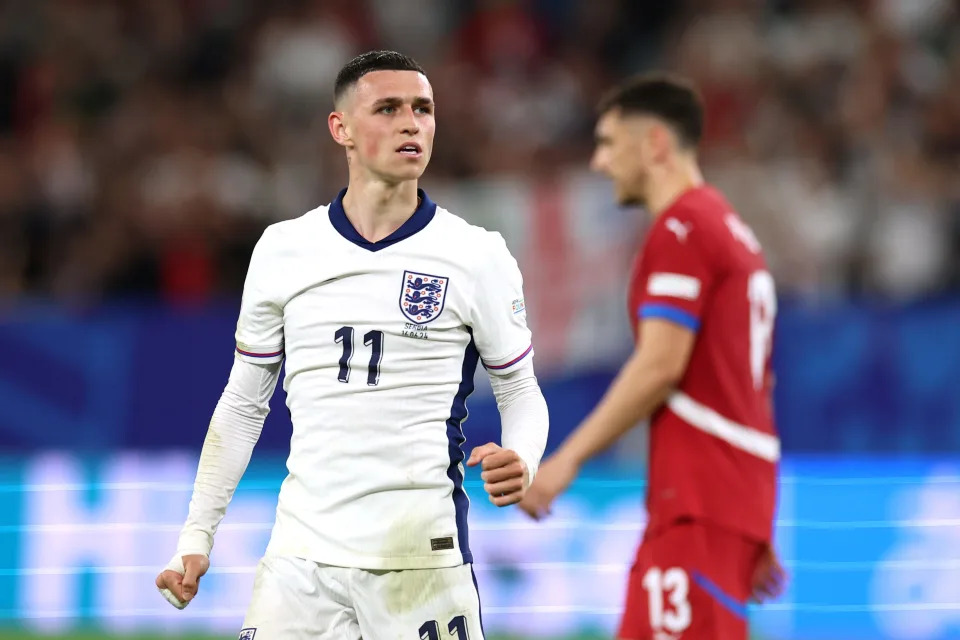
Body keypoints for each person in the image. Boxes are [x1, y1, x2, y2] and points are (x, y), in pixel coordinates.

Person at [154, 50, 549, 640]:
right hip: (300, 561)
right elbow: (243, 403)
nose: (411, 124)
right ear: (340, 128)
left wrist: (524, 457)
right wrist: (195, 536)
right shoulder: (284, 250)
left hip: (419, 558)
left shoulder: (477, 255)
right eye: (387, 109)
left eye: (423, 109)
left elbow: (520, 390)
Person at [518, 74, 785, 640]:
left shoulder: (683, 230)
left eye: (610, 143)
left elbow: (661, 365)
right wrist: (751, 523)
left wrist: (566, 461)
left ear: (656, 144)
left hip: (699, 508)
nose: (598, 162)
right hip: (717, 508)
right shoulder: (732, 232)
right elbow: (753, 385)